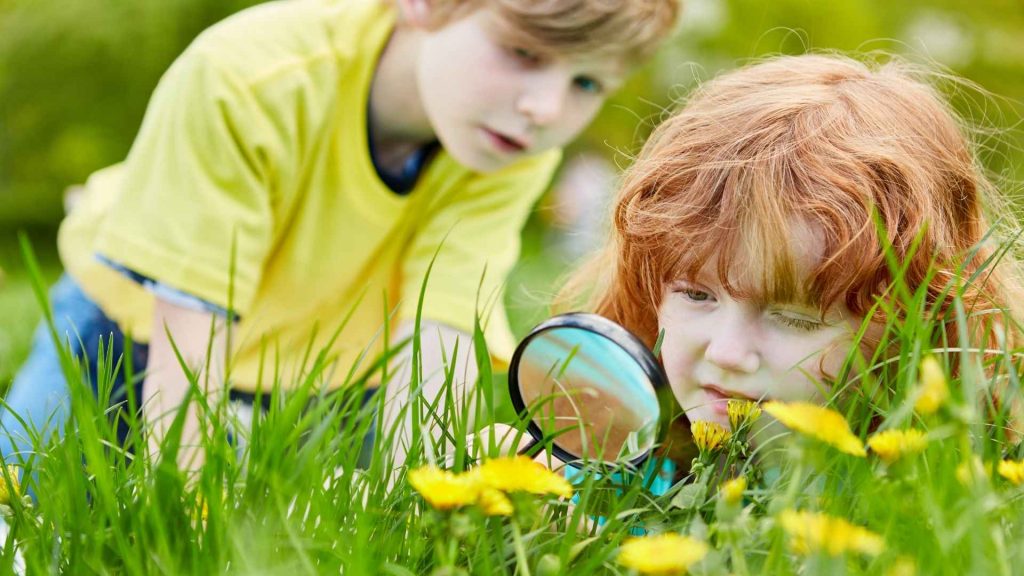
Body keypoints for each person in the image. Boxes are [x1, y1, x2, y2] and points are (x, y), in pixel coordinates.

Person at [0, 0, 681, 472]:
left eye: (585, 80)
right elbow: (189, 332)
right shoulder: (250, 77)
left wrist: (421, 497)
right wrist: (183, 509)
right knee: (23, 495)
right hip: (136, 328)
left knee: (321, 524)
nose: (546, 107)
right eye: (523, 52)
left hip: (321, 360)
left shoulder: (509, 139)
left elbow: (437, 329)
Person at [559, 53, 1023, 461]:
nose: (726, 353)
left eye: (796, 317)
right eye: (696, 294)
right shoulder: (617, 461)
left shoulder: (937, 501)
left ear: (916, 331)